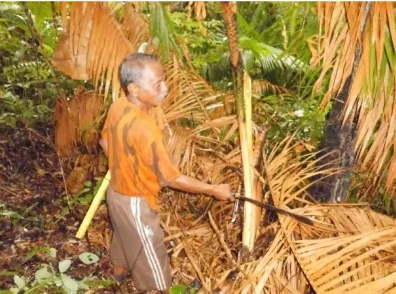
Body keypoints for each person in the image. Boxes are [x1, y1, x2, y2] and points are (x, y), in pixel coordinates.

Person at [100, 53, 234, 293]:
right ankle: (160, 289)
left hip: (115, 194)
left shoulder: (118, 105)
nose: (165, 88)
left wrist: (125, 168)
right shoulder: (146, 129)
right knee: (151, 253)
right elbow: (170, 178)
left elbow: (104, 142)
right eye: (157, 84)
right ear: (134, 88)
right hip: (135, 205)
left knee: (123, 235)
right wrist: (214, 190)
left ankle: (117, 277)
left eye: (164, 80)